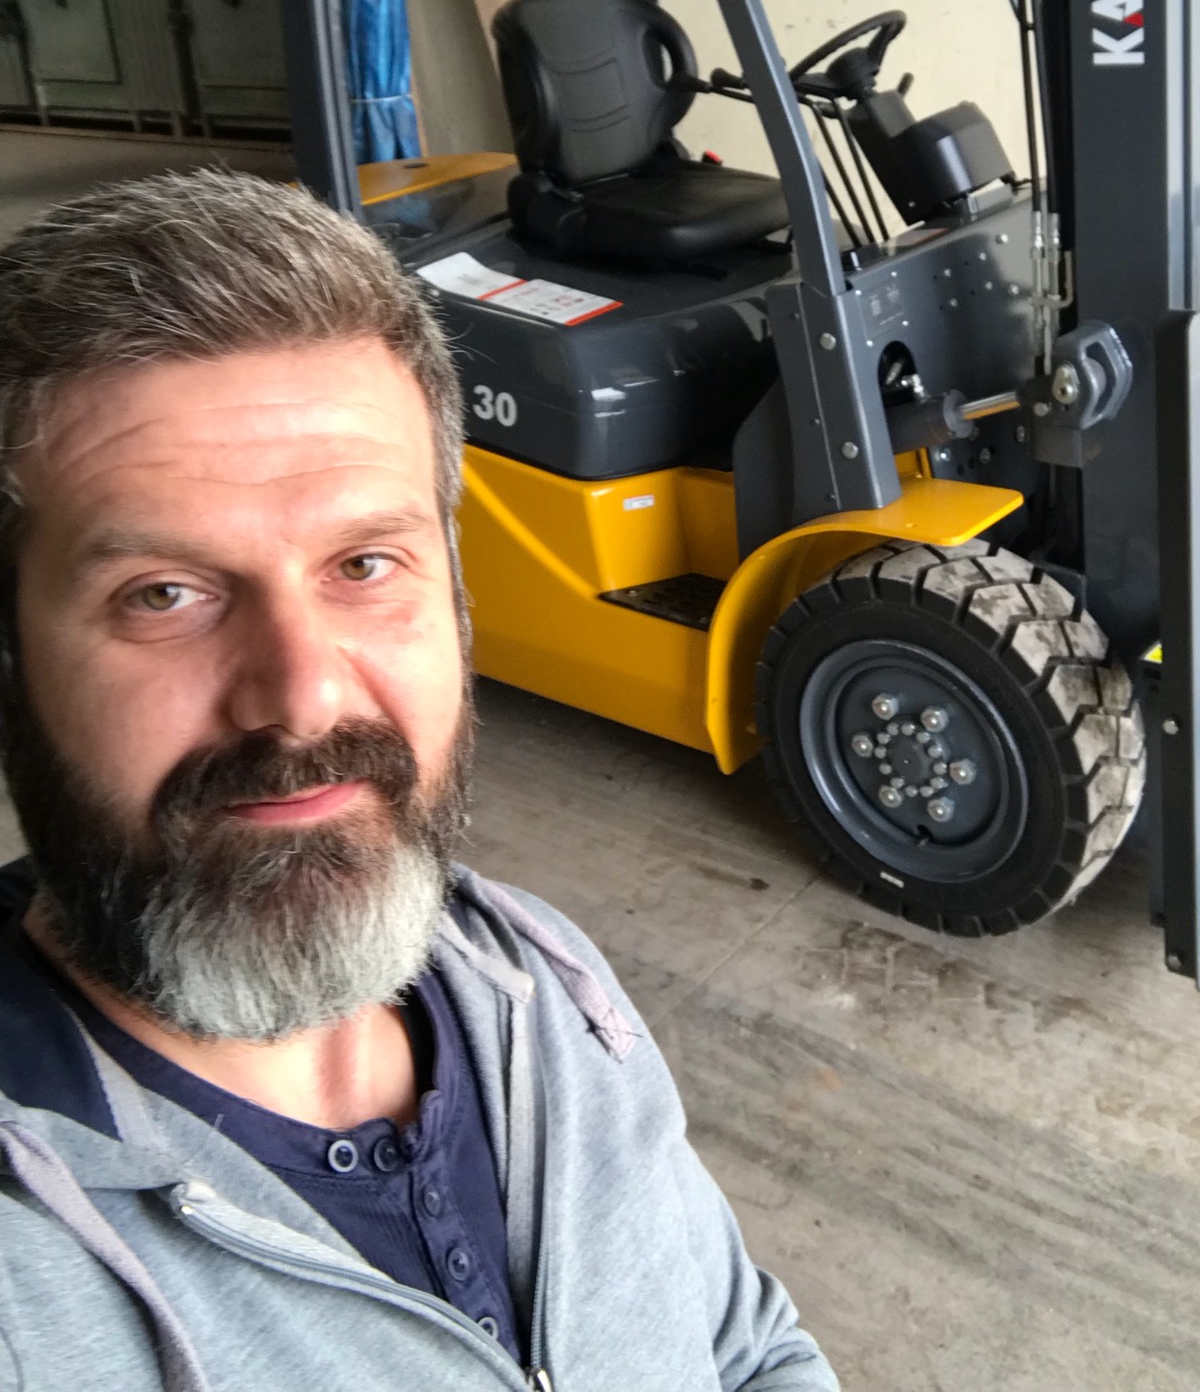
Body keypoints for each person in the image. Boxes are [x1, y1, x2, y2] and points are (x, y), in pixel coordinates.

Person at [0, 170, 837, 1392]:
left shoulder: (547, 986)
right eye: (163, 593)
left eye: (364, 564)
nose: (302, 697)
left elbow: (749, 1348)